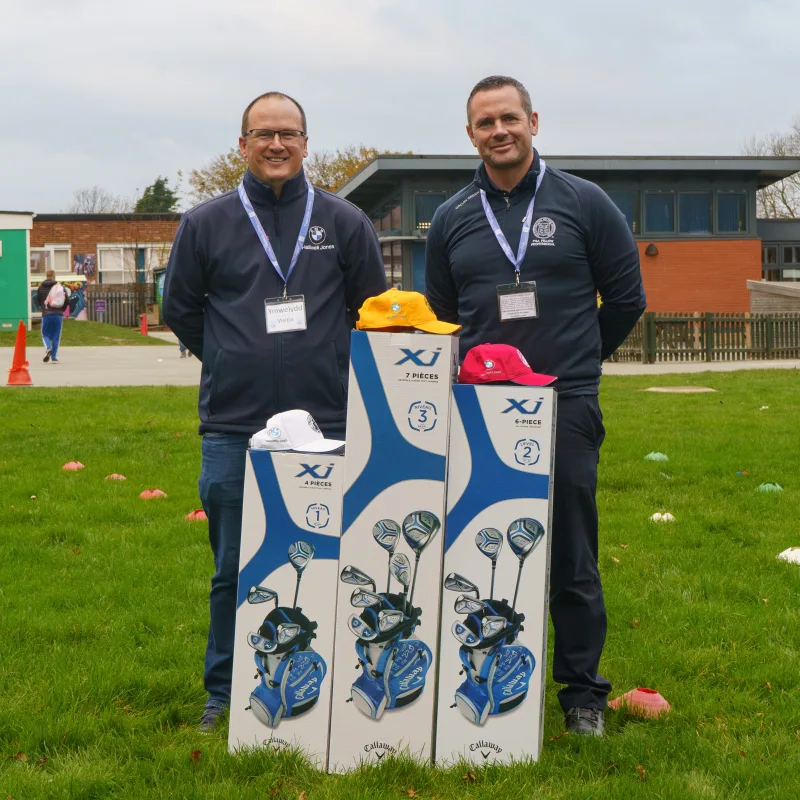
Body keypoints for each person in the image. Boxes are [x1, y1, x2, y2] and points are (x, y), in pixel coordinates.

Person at [425, 75, 646, 737]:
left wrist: (576, 366)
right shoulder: (452, 218)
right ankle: (480, 686)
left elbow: (627, 300)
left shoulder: (585, 202)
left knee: (571, 556)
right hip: (478, 412)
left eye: (509, 118)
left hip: (565, 405)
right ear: (470, 134)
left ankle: (583, 697)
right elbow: (441, 317)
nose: (499, 131)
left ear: (534, 121)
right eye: (485, 122)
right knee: (480, 548)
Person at [163, 91, 387, 732]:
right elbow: (182, 308)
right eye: (263, 134)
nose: (277, 145)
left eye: (289, 133)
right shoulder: (206, 223)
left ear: (307, 142)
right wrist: (232, 356)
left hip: (330, 425)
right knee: (234, 566)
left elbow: (371, 314)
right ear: (242, 144)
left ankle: (338, 687)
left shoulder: (344, 222)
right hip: (236, 428)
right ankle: (223, 694)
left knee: (335, 561)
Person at [37, 270, 71, 363]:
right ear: (54, 276)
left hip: (47, 314)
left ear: (46, 276)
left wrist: (44, 308)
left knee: (45, 334)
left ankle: (48, 348)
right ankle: (54, 357)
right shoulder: (60, 287)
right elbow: (66, 300)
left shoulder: (41, 288)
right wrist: (61, 310)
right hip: (58, 315)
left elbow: (38, 300)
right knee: (56, 336)